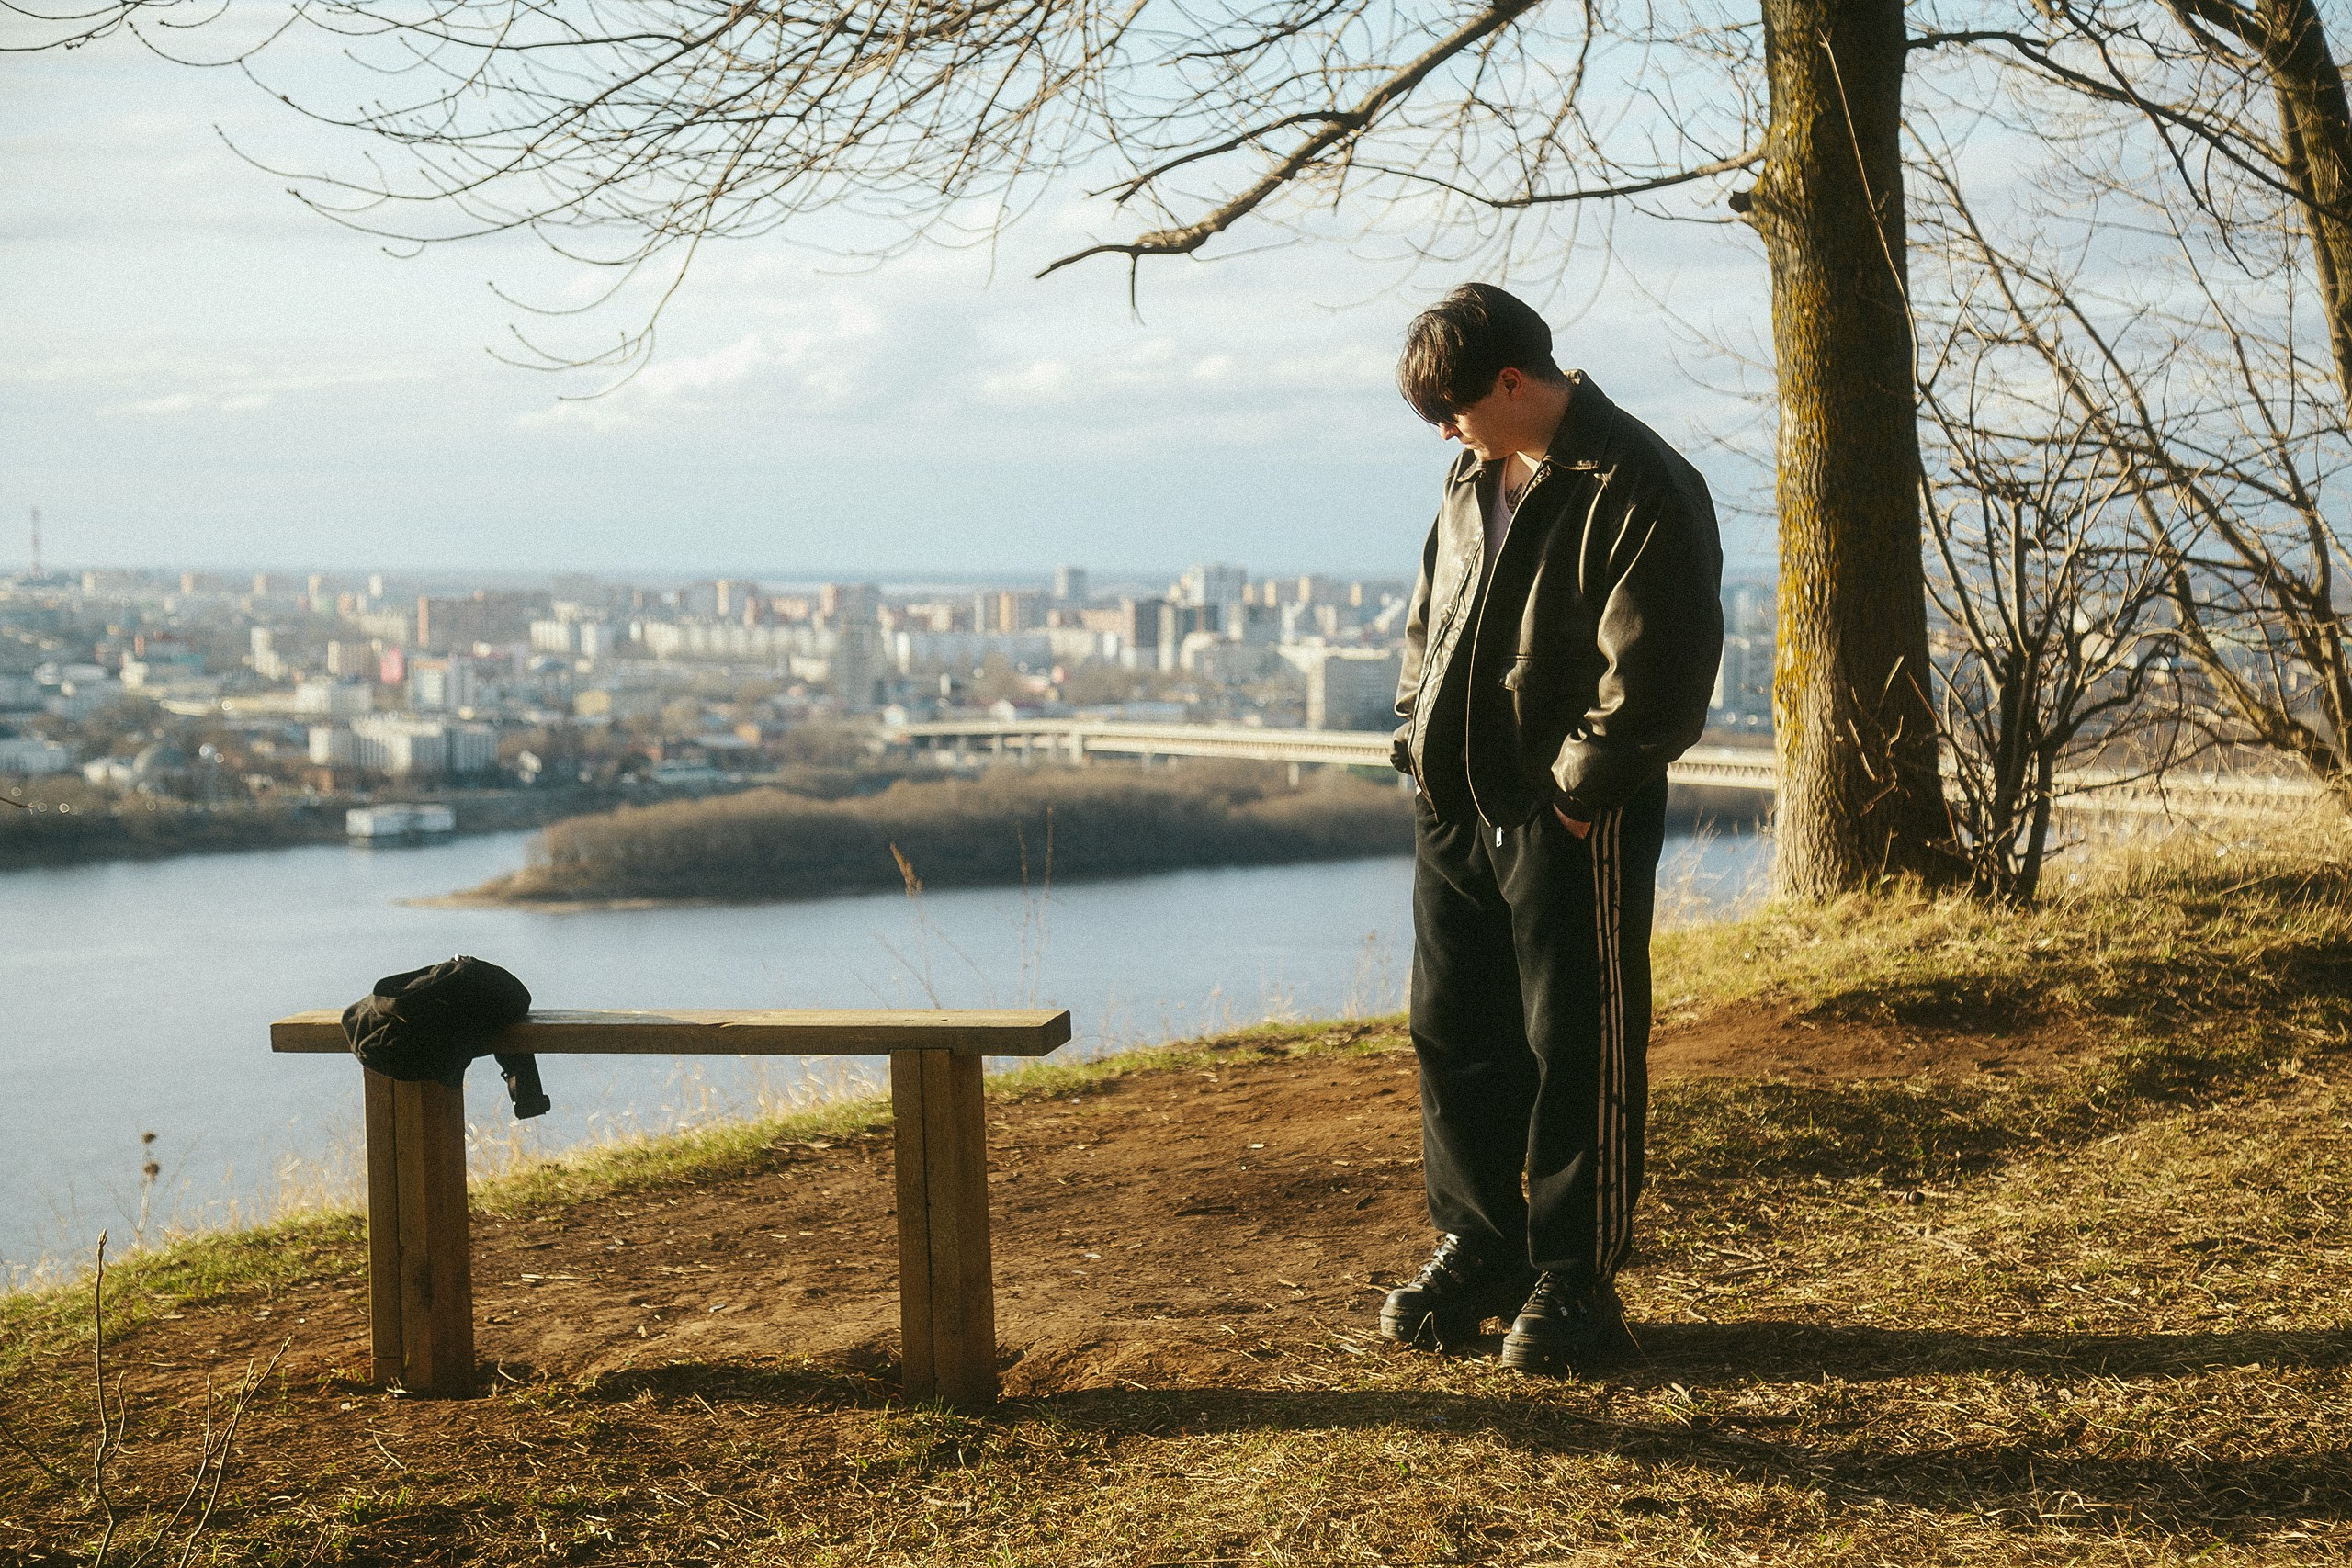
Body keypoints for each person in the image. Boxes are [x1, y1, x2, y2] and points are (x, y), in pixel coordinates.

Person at [1379, 282, 1723, 1374]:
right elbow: (1428, 617)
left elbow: (1658, 674)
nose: (1444, 430)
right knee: (1453, 1031)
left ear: (1515, 382)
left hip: (1569, 817)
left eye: (1454, 408)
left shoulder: (1643, 484)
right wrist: (1413, 742)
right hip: (1456, 805)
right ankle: (1481, 1248)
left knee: (1575, 1044)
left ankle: (1575, 1281)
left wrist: (1577, 796)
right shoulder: (1469, 471)